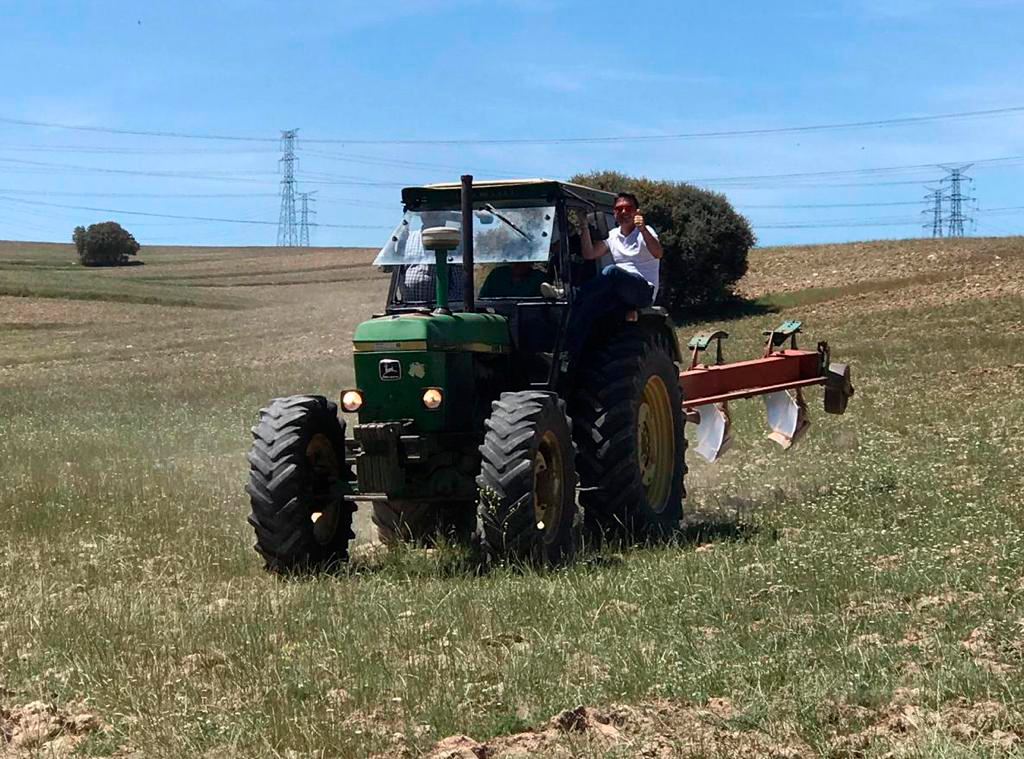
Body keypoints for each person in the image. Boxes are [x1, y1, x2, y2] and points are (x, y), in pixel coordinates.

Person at [560, 192, 665, 365]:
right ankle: (569, 357)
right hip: (619, 292)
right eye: (619, 209)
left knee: (611, 271)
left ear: (636, 211)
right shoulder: (613, 235)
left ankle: (577, 294)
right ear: (614, 213)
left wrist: (643, 228)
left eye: (628, 208)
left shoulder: (645, 232)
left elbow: (658, 253)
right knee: (586, 312)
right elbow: (590, 254)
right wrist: (584, 226)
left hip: (643, 291)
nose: (623, 212)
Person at [479, 261, 548, 299]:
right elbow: (481, 304)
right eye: (517, 258)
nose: (519, 262)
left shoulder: (539, 278)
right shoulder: (497, 275)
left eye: (524, 258)